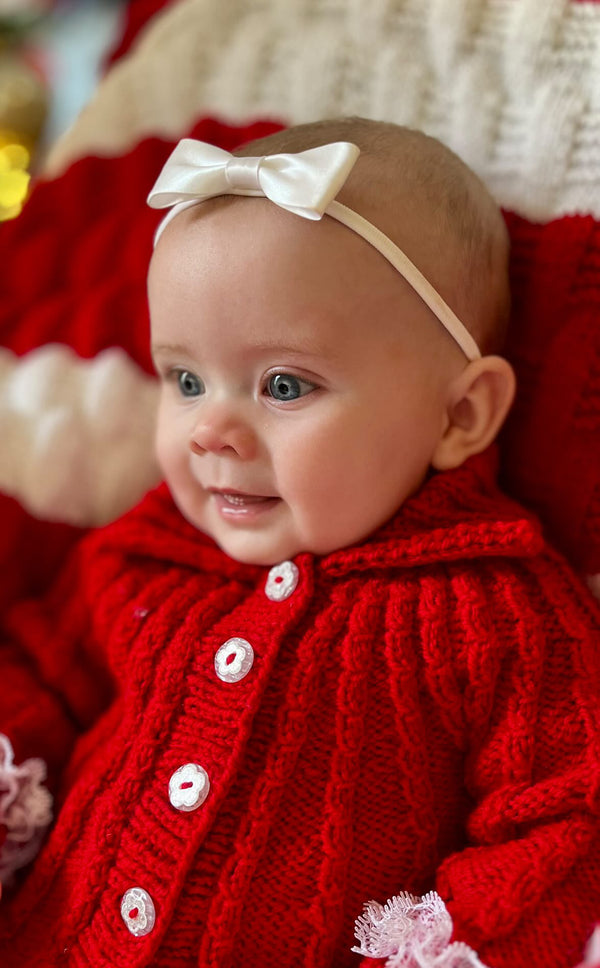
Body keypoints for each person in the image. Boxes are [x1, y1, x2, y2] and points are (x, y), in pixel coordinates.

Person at [0, 117, 599, 968]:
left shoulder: (493, 610)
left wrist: (458, 945)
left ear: (460, 415)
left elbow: (569, 813)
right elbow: (40, 671)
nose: (211, 429)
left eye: (284, 384)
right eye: (185, 379)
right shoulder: (143, 559)